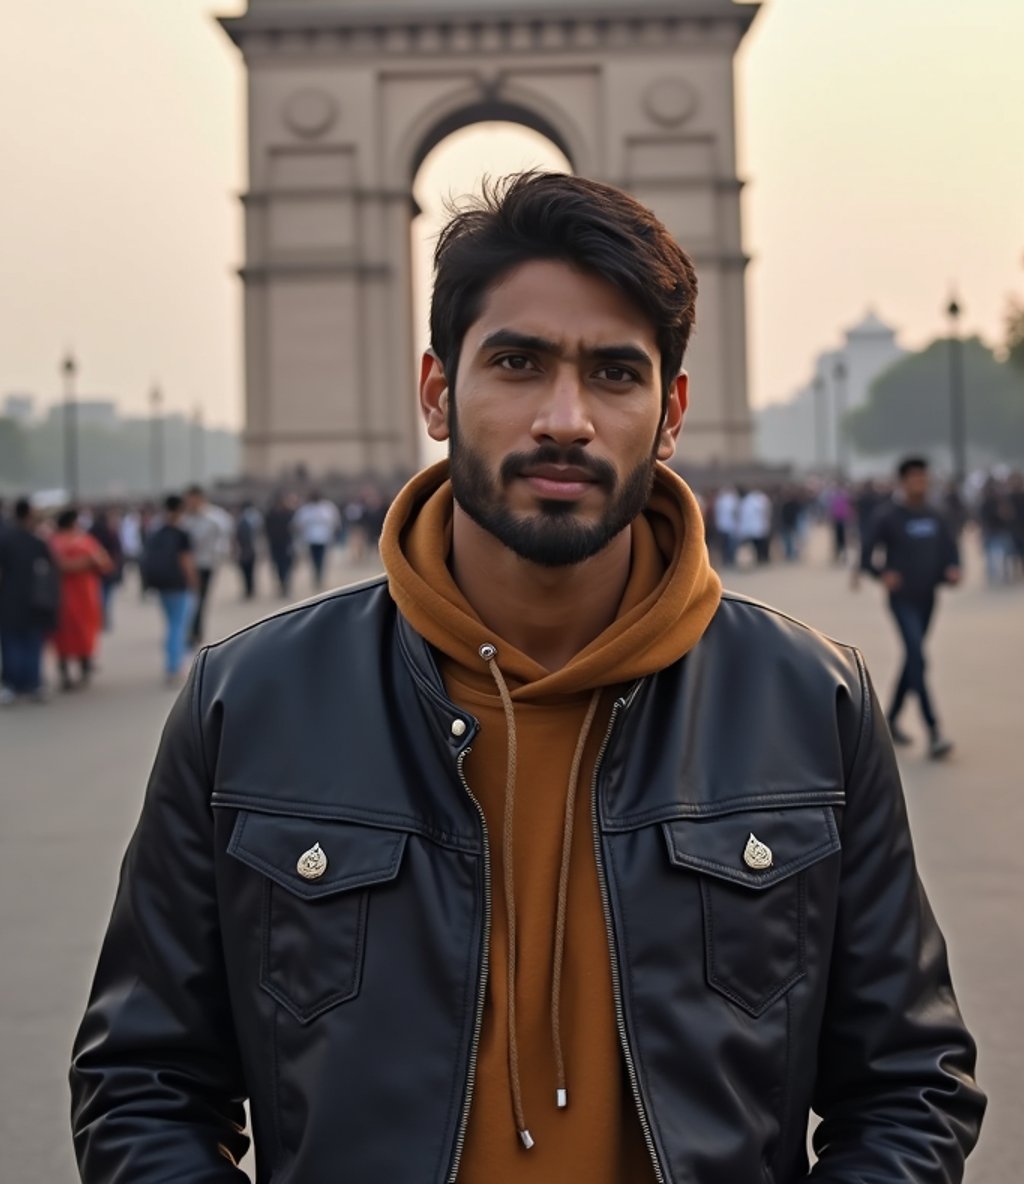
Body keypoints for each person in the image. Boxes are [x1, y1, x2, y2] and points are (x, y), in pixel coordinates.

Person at [71, 174, 983, 1184]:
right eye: (516, 362)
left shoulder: (816, 703)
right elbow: (143, 1086)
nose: (564, 418)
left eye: (613, 374)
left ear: (671, 410)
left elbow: (907, 1083)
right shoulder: (244, 703)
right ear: (435, 390)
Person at [861, 456, 961, 758]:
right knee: (918, 656)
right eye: (915, 478)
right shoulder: (887, 517)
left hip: (928, 597)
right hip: (901, 599)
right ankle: (934, 730)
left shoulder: (936, 514)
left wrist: (954, 569)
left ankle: (889, 718)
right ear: (903, 481)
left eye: (924, 477)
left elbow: (950, 550)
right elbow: (866, 558)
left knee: (913, 659)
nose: (921, 483)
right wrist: (883, 574)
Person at [0, 498, 61, 704]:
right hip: (35, 601)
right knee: (32, 644)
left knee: (11, 645)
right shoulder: (37, 543)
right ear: (29, 515)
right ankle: (33, 683)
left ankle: (11, 685)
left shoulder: (4, 540)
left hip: (8, 601)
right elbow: (51, 570)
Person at [49, 509, 112, 691]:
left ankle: (67, 673)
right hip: (82, 596)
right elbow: (103, 562)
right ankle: (83, 668)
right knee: (82, 631)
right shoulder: (83, 541)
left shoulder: (54, 542)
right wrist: (85, 562)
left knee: (64, 635)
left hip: (64, 596)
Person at [141, 495, 199, 683]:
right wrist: (194, 581)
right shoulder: (181, 533)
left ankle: (171, 663)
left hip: (161, 584)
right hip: (179, 584)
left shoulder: (156, 533)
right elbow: (186, 561)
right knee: (178, 626)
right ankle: (174, 666)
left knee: (171, 624)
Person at [181, 485, 232, 646]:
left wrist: (218, 556)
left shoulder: (216, 518)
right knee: (187, 599)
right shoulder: (183, 519)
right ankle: (188, 630)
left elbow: (224, 540)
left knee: (200, 599)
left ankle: (195, 632)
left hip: (205, 564)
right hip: (185, 565)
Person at [293, 489, 341, 589]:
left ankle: (319, 577)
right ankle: (316, 576)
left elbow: (335, 521)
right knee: (314, 560)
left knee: (321, 560)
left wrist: (334, 533)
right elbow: (298, 523)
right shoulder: (306, 509)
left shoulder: (327, 507)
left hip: (324, 538)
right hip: (310, 539)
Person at [89, 508, 124, 631]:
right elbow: (117, 552)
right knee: (107, 598)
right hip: (108, 569)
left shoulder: (90, 533)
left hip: (95, 569)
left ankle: (99, 620)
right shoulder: (111, 532)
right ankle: (106, 621)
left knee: (99, 596)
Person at [264, 492, 296, 598]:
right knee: (279, 566)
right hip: (276, 544)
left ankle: (285, 585)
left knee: (287, 565)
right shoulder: (271, 514)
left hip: (287, 543)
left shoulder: (290, 513)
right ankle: (283, 584)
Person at [737, 483, 772, 565]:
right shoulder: (747, 501)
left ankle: (761, 558)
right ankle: (759, 559)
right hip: (754, 527)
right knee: (756, 546)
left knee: (758, 545)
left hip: (756, 527)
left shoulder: (753, 501)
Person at [234, 502, 262, 600]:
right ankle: (250, 589)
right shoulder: (252, 520)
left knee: (247, 572)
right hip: (247, 551)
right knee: (249, 572)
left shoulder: (242, 521)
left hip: (246, 551)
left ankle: (249, 589)